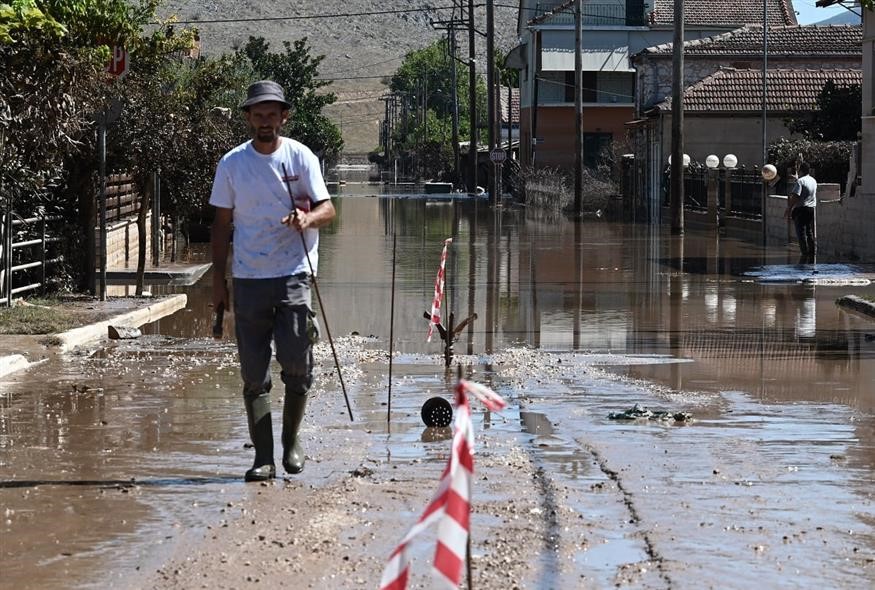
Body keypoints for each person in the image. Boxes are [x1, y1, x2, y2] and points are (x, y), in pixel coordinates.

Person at [210, 80, 336, 482]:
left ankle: (291, 443)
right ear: (248, 118)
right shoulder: (232, 164)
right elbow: (220, 226)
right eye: (258, 114)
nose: (266, 121)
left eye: (273, 113)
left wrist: (307, 219)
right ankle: (262, 457)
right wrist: (219, 282)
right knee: (253, 371)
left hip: (295, 271)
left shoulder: (301, 158)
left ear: (284, 116)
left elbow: (327, 209)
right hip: (248, 277)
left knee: (298, 362)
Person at [785, 161, 817, 261]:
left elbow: (795, 196)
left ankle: (804, 254)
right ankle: (812, 253)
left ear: (801, 170)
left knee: (801, 233)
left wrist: (789, 209)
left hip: (801, 209)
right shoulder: (813, 180)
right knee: (809, 231)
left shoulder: (800, 181)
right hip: (811, 209)